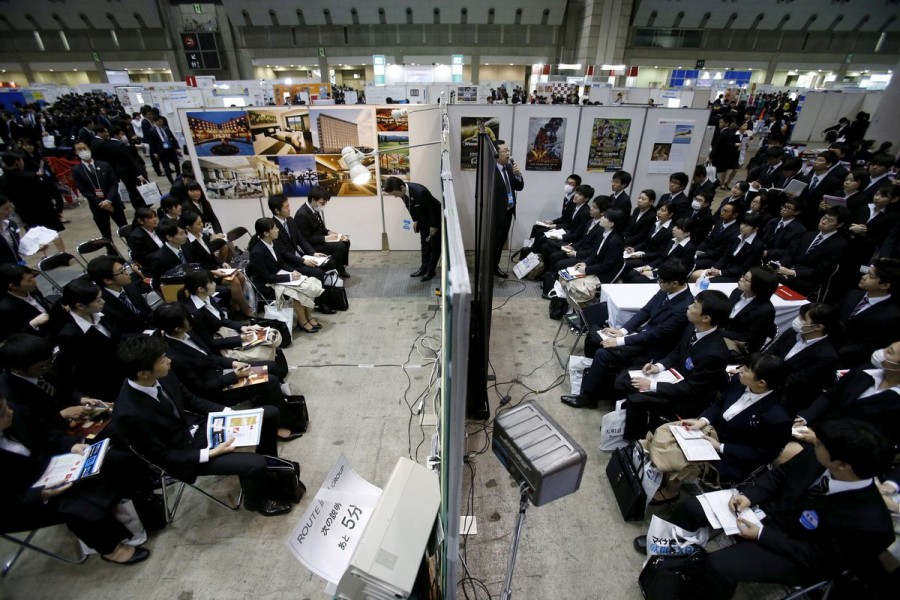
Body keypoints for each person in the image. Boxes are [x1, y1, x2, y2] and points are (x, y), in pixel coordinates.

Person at [635, 419, 894, 600]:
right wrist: (749, 495)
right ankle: (666, 551)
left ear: (844, 465)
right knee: (693, 508)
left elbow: (819, 559)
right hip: (767, 513)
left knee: (718, 566)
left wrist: (760, 535)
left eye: (820, 444)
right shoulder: (818, 458)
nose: (813, 443)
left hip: (795, 552)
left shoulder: (870, 524)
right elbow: (779, 477)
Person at [112, 335, 293, 517]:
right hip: (185, 455)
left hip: (199, 428)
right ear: (143, 373)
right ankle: (258, 502)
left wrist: (230, 413)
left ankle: (267, 469)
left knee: (269, 414)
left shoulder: (162, 375)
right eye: (162, 360)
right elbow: (163, 457)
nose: (169, 361)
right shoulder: (128, 414)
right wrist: (210, 453)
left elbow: (192, 401)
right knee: (254, 464)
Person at [0, 395, 151, 564]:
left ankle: (145, 506)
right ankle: (111, 548)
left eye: (6, 407)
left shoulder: (13, 413)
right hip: (19, 499)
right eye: (3, 412)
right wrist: (41, 494)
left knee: (117, 461)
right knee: (73, 504)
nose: (10, 411)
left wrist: (71, 445)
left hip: (51, 465)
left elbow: (47, 433)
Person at [650, 354, 793, 501]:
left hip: (732, 457)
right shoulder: (739, 382)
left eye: (746, 369)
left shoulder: (778, 418)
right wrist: (703, 421)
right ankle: (661, 471)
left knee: (677, 455)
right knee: (669, 432)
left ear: (761, 383)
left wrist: (720, 447)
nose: (740, 370)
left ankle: (671, 490)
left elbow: (761, 454)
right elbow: (720, 403)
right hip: (712, 433)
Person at [153, 303, 304, 439]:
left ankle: (269, 400)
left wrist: (233, 363)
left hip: (220, 372)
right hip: (216, 390)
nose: (191, 318)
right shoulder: (174, 357)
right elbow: (201, 389)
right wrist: (234, 376)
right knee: (269, 381)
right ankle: (278, 426)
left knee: (271, 367)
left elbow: (209, 356)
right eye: (187, 318)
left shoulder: (188, 334)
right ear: (177, 328)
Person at [561, 260, 694, 409]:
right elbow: (645, 312)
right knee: (596, 335)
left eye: (661, 281)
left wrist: (620, 341)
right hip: (642, 336)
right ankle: (596, 382)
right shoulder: (666, 290)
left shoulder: (683, 307)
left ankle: (589, 397)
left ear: (675, 283)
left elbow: (656, 334)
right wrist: (622, 331)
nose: (659, 284)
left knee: (603, 353)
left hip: (654, 348)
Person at [617, 289, 731, 440]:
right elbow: (677, 351)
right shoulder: (692, 326)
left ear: (706, 318)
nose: (689, 306)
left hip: (686, 396)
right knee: (624, 378)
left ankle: (635, 442)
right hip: (672, 375)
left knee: (636, 399)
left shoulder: (714, 353)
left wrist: (651, 386)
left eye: (695, 306)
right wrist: (658, 366)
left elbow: (692, 389)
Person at [55, 279, 126, 403]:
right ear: (80, 306)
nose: (103, 302)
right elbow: (75, 371)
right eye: (98, 300)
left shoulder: (98, 314)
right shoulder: (70, 335)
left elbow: (118, 337)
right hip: (106, 386)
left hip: (124, 369)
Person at [248, 218, 324, 334]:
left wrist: (293, 272)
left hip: (278, 277)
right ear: (266, 233)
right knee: (297, 292)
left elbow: (281, 264)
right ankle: (302, 321)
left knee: (308, 282)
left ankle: (308, 317)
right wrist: (289, 277)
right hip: (267, 284)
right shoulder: (257, 252)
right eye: (275, 228)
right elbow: (267, 277)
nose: (278, 230)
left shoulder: (273, 243)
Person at [833, 258, 900, 368]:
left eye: (871, 276)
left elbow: (868, 346)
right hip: (826, 347)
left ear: (884, 285)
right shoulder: (853, 294)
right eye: (867, 273)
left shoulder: (892, 316)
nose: (864, 277)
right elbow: (830, 316)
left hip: (849, 360)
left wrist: (835, 352)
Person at [775, 206, 849, 295]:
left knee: (771, 280)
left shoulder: (839, 244)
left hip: (807, 280)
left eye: (830, 221)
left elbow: (821, 270)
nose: (824, 222)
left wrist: (792, 272)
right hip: (789, 270)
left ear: (839, 224)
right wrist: (779, 263)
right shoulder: (809, 235)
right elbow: (792, 253)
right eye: (824, 218)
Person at [383, 176, 442, 281]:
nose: (395, 197)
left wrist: (434, 226)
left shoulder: (421, 192)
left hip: (434, 219)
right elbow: (409, 206)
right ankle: (424, 268)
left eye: (395, 194)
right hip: (422, 219)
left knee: (434, 246)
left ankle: (430, 271)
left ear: (401, 188)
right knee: (425, 244)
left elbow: (435, 208)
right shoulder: (403, 193)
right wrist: (415, 220)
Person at [70, 141, 128, 241]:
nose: (83, 151)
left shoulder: (105, 165)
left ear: (89, 149)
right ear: (76, 152)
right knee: (106, 234)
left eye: (85, 148)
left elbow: (114, 184)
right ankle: (112, 253)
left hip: (113, 202)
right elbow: (83, 190)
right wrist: (101, 203)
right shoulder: (76, 170)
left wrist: (109, 200)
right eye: (79, 149)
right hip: (97, 206)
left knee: (125, 228)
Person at [86, 255, 153, 336]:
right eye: (122, 271)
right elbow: (119, 334)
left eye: (124, 268)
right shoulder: (101, 304)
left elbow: (147, 311)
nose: (127, 273)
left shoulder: (129, 285)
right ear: (108, 280)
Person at [720, 266, 779, 356]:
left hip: (741, 344)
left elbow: (749, 337)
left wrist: (720, 332)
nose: (741, 279)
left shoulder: (766, 310)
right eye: (743, 276)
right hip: (725, 332)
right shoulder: (737, 291)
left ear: (758, 286)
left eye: (746, 279)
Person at [293, 186, 351, 277]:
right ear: (313, 200)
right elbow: (305, 239)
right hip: (312, 245)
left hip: (320, 239)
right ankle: (330, 269)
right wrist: (326, 238)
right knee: (340, 246)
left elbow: (320, 227)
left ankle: (340, 267)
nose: (323, 205)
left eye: (325, 203)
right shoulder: (302, 215)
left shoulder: (314, 209)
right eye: (322, 203)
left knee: (346, 241)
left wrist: (329, 232)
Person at [489, 140, 524, 278]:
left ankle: (494, 267)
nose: (508, 153)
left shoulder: (510, 168)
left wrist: (518, 174)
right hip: (495, 214)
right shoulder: (491, 170)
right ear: (497, 153)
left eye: (508, 150)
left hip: (508, 212)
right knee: (493, 243)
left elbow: (519, 187)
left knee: (501, 243)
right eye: (504, 151)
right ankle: (489, 267)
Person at [0, 263, 54, 339]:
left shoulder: (32, 289)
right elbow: (14, 337)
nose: (34, 281)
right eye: (29, 280)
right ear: (13, 286)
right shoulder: (6, 309)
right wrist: (32, 325)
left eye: (32, 277)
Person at [145, 114, 180, 183]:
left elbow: (172, 138)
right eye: (159, 122)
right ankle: (172, 182)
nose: (161, 123)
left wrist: (177, 147)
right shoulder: (151, 131)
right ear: (155, 122)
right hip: (161, 151)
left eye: (162, 121)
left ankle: (178, 178)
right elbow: (151, 143)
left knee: (177, 164)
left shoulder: (166, 128)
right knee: (166, 167)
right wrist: (154, 153)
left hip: (171, 149)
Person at [0, 195, 24, 266]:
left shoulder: (11, 224)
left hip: (18, 266)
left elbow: (15, 249)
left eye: (10, 207)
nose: (10, 210)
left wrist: (35, 248)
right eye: (6, 209)